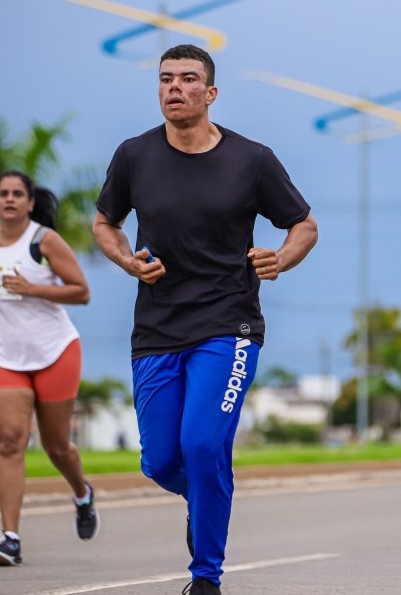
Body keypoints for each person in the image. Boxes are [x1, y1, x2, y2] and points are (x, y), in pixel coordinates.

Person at [93, 44, 318, 595]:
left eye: (188, 79)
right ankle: (204, 499)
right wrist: (127, 261)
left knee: (201, 445)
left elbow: (304, 225)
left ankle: (206, 577)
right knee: (160, 461)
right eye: (166, 78)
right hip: (157, 328)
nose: (175, 87)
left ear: (211, 92)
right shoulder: (134, 155)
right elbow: (105, 223)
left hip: (228, 324)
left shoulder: (252, 160)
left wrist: (281, 258)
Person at [0, 171, 96, 566]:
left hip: (55, 351)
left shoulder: (44, 240)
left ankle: (82, 494)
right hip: (6, 356)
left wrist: (32, 287)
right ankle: (10, 539)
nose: (10, 199)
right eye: (3, 193)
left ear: (31, 203)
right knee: (9, 441)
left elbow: (82, 292)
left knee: (57, 446)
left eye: (18, 194)